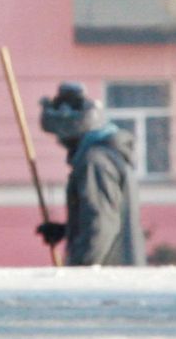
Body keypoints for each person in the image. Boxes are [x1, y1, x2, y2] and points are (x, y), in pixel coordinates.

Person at [37, 83, 145, 267]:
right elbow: (104, 216)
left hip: (108, 281)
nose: (60, 142)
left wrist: (80, 272)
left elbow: (101, 225)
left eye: (61, 136)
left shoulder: (94, 162)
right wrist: (67, 230)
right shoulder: (106, 157)